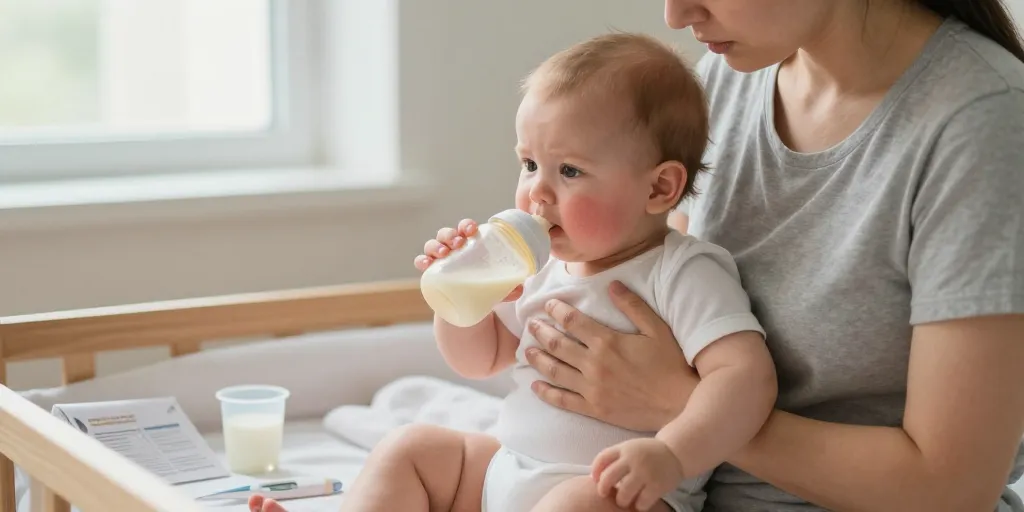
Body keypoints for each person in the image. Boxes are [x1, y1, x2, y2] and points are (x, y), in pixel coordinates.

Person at [509, 1, 1024, 511]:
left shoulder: (984, 124)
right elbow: (656, 298)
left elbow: (950, 489)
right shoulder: (728, 80)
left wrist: (679, 403)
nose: (676, 14)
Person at [250, 33, 777, 512]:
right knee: (414, 449)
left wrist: (671, 454)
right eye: (529, 164)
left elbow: (745, 379)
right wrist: (459, 298)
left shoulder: (682, 271)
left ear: (659, 189)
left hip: (616, 493)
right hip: (509, 469)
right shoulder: (538, 264)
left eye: (569, 171)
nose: (537, 192)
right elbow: (479, 361)